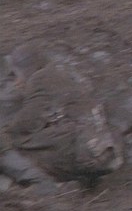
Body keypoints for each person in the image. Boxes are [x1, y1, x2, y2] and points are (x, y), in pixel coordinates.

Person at [0, 44, 124, 188]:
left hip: (87, 152)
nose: (16, 82)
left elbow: (27, 123)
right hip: (109, 148)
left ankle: (55, 184)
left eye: (17, 75)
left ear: (27, 69)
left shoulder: (40, 79)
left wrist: (6, 131)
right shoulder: (61, 72)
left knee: (18, 142)